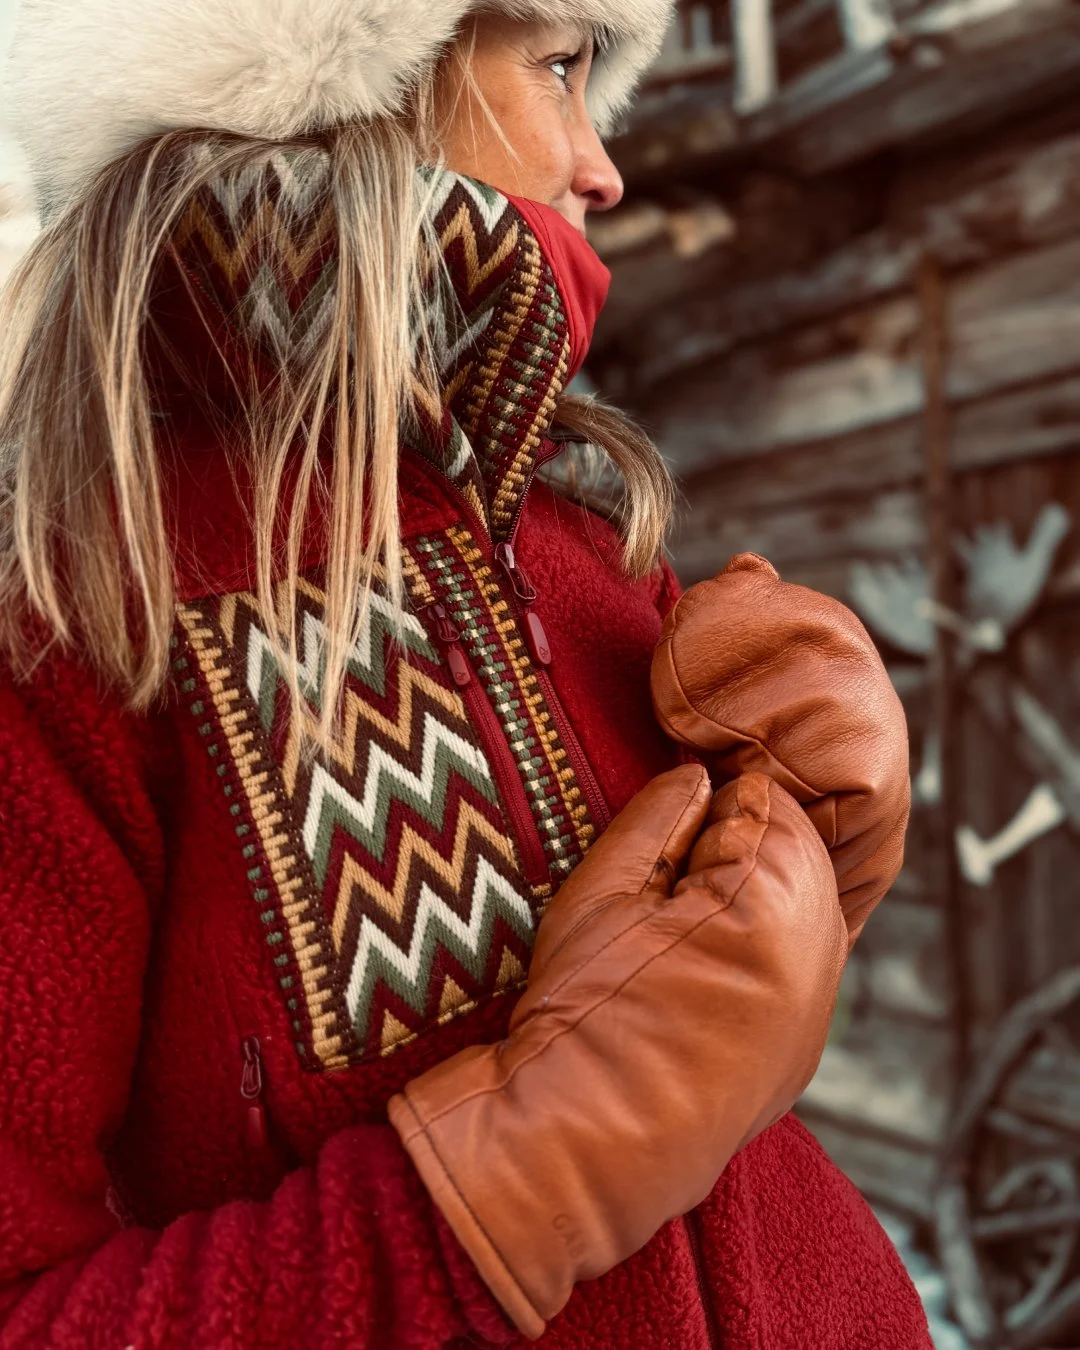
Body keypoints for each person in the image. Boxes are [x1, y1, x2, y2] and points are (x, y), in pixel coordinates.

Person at [0, 0, 932, 1345]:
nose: (604, 168)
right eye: (558, 67)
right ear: (326, 77)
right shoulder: (80, 610)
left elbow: (686, 1047)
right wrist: (520, 1180)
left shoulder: (584, 532)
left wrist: (814, 854)